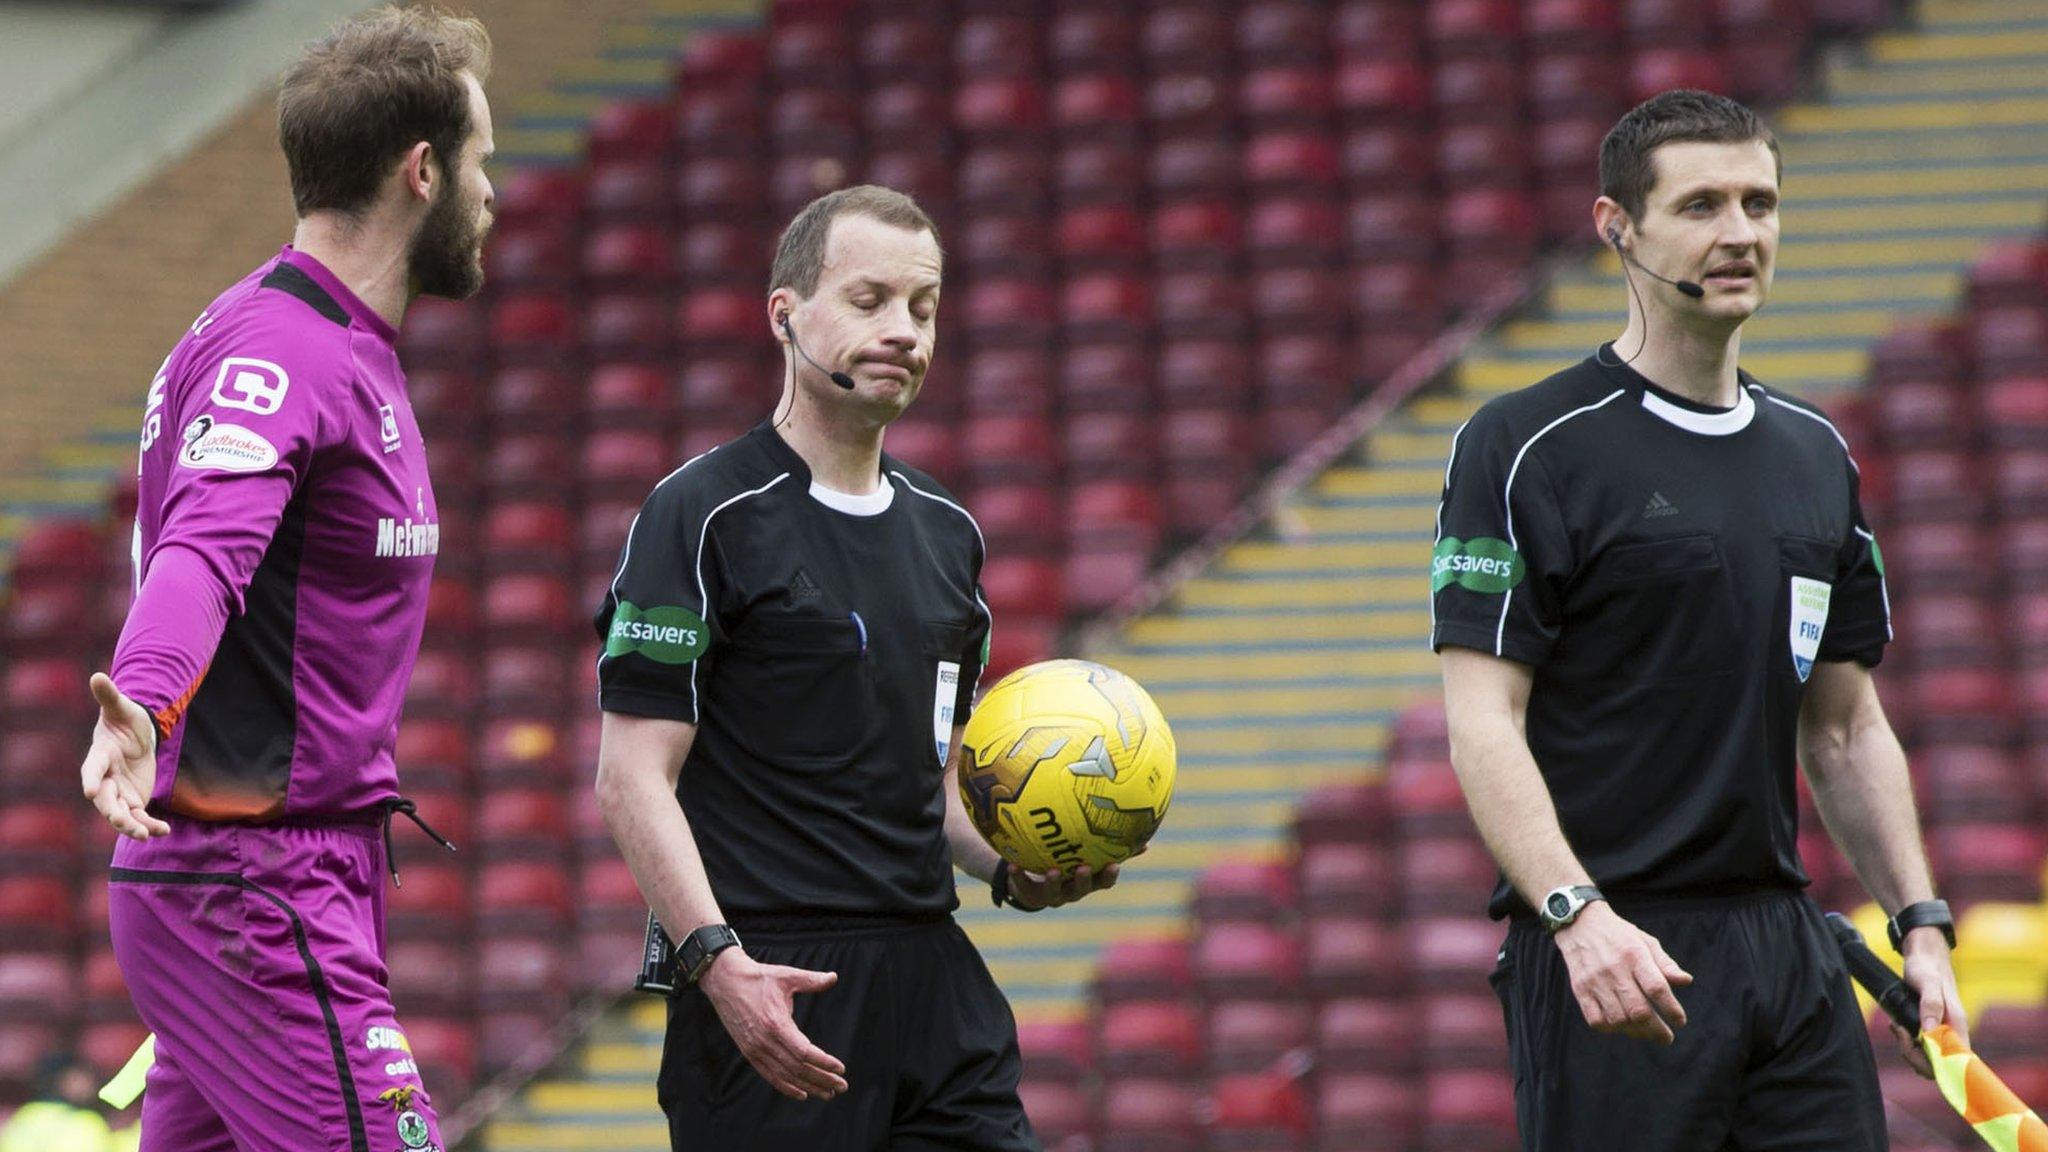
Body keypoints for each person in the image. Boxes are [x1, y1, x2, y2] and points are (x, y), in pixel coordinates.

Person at [1429, 89, 1964, 1151]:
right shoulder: (1524, 445)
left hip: (1787, 950)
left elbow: (1843, 726)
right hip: (1613, 949)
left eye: (1759, 204)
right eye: (1701, 205)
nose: (1739, 234)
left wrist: (1920, 927)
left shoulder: (1815, 453)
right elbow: (1481, 718)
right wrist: (1574, 918)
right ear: (1616, 228)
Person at [594, 185, 1117, 1152]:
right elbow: (630, 777)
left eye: (924, 308)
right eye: (869, 300)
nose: (905, 331)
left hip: (934, 980)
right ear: (784, 316)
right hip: (773, 987)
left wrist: (1012, 869)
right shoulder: (702, 513)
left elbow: (934, 779)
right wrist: (719, 966)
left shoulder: (948, 532)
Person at [75, 7, 494, 1151]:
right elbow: (202, 549)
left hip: (276, 876)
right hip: (250, 884)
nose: (488, 191)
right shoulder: (282, 350)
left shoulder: (331, 342)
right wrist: (144, 701)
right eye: (480, 161)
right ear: (422, 172)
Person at [0, 1052, 113, 1152]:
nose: (87, 1084)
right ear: (59, 1081)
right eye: (76, 1078)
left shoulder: (26, 1115)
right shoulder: (88, 1122)